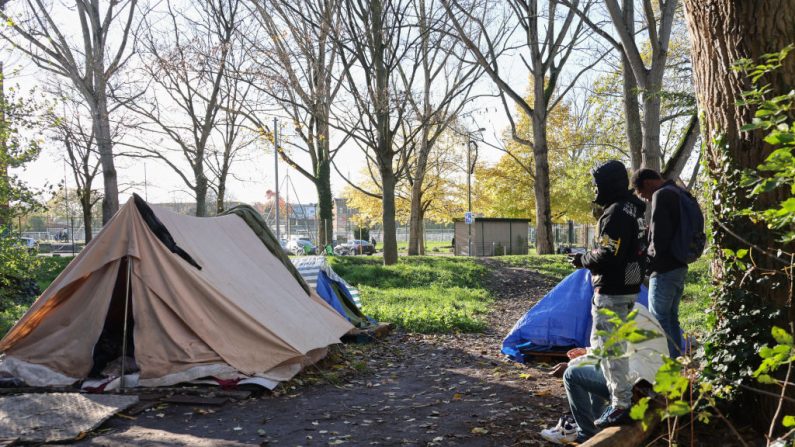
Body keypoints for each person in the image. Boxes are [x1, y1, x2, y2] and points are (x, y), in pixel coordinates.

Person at [569, 160, 647, 429]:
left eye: (597, 184)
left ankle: (620, 405)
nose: (595, 189)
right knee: (604, 350)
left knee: (611, 351)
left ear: (608, 184)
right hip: (628, 289)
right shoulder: (633, 209)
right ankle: (604, 409)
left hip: (612, 291)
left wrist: (582, 259)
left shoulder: (615, 213)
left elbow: (607, 254)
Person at [540, 304, 667, 444]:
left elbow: (605, 355)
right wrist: (587, 352)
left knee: (572, 374)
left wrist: (570, 364)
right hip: (653, 377)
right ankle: (596, 424)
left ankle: (586, 433)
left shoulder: (609, 310)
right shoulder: (635, 306)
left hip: (638, 383)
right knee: (592, 372)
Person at [631, 169, 689, 358]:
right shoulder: (679, 192)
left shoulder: (661, 195)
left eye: (642, 195)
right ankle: (678, 359)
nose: (646, 200)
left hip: (664, 268)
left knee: (659, 318)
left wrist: (648, 261)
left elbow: (659, 236)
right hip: (680, 264)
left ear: (647, 184)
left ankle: (667, 364)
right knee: (671, 316)